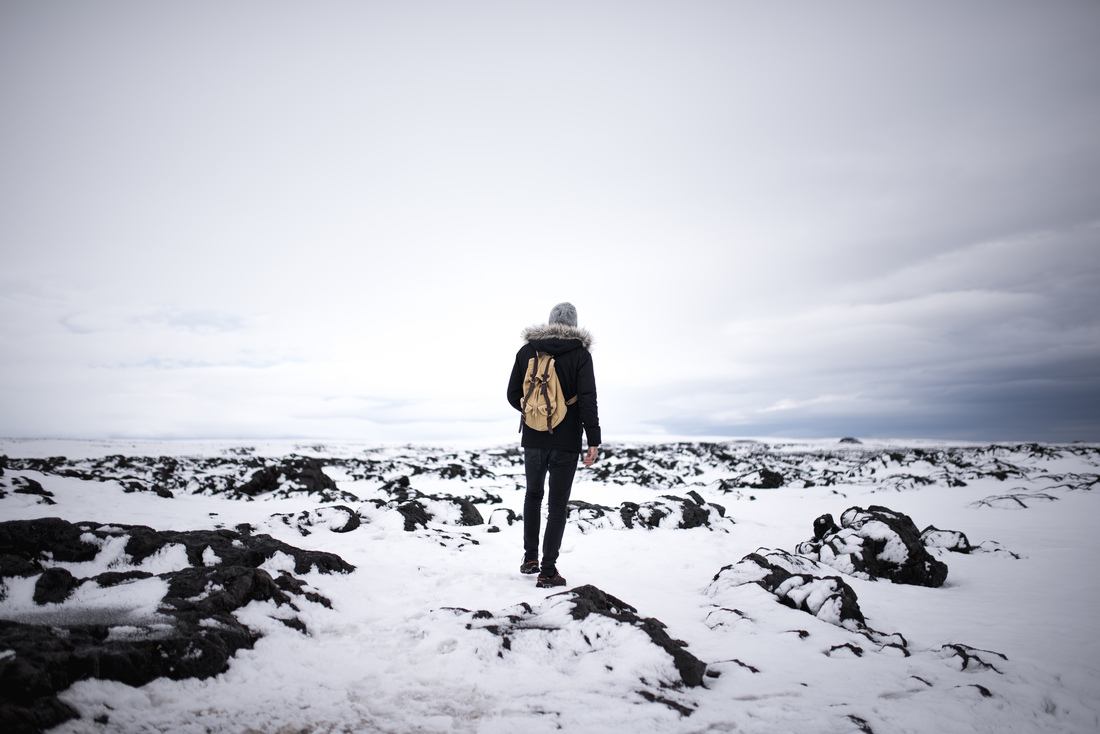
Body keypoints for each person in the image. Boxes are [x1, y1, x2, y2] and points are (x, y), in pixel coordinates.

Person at [506, 302, 601, 588]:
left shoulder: (526, 351)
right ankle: (548, 572)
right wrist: (593, 439)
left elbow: (512, 394)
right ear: (574, 324)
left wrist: (534, 412)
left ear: (549, 322)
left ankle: (530, 558)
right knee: (557, 505)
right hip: (566, 439)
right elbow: (587, 400)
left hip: (533, 437)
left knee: (533, 495)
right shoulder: (580, 355)